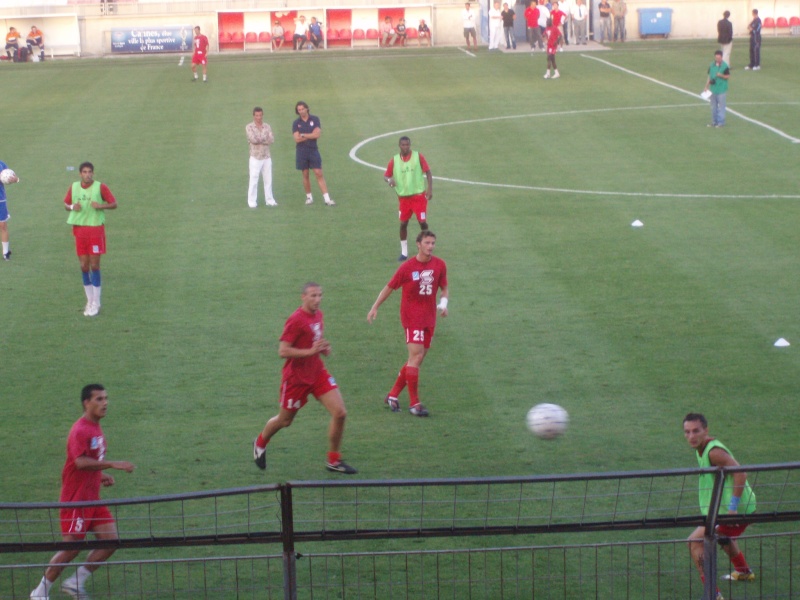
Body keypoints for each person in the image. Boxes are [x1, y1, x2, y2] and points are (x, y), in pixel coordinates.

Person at [28, 384, 136, 600]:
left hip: (92, 500)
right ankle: (39, 593)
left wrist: (100, 476)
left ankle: (75, 582)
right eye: (99, 399)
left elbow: (89, 462)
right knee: (71, 548)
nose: (104, 403)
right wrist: (112, 465)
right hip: (75, 501)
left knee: (110, 541)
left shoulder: (95, 427)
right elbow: (79, 462)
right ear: (87, 403)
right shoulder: (81, 429)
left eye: (106, 398)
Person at [253, 282, 357, 474]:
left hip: (317, 373)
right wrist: (310, 351)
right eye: (313, 296)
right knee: (285, 421)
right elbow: (283, 351)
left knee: (340, 413)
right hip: (296, 379)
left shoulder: (319, 315)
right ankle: (260, 442)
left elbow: (314, 344)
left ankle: (333, 460)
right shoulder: (296, 320)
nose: (317, 300)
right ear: (303, 297)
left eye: (320, 295)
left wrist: (322, 349)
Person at [367, 230, 449, 417]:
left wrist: (444, 304)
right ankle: (414, 403)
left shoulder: (439, 265)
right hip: (412, 317)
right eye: (427, 243)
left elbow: (444, 287)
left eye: (433, 243)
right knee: (415, 356)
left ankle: (393, 395)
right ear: (418, 244)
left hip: (429, 318)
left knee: (418, 359)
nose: (430, 246)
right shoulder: (407, 267)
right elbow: (389, 287)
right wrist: (375, 307)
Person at [683, 413, 757, 600]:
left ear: (706, 431)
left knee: (694, 542)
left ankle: (713, 594)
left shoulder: (713, 452)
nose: (691, 436)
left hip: (732, 512)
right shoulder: (701, 448)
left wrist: (732, 510)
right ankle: (743, 571)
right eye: (687, 432)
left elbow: (740, 473)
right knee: (723, 537)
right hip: (724, 511)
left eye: (696, 431)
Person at [63, 162, 117, 317]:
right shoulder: (74, 187)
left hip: (95, 230)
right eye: (84, 172)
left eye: (90, 172)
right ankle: (89, 301)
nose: (87, 174)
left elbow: (114, 204)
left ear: (93, 173)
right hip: (79, 230)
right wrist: (73, 207)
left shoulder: (100, 187)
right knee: (83, 266)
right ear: (80, 173)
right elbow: (66, 204)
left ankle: (97, 302)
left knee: (94, 265)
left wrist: (100, 206)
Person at [384, 136, 433, 261]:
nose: (405, 147)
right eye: (403, 145)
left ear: (410, 145)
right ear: (399, 146)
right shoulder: (394, 160)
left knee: (422, 223)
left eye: (407, 145)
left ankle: (425, 246)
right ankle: (404, 252)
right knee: (403, 224)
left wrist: (430, 189)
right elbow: (386, 176)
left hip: (418, 196)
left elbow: (428, 172)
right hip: (403, 198)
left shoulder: (418, 156)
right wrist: (389, 180)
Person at [292, 101, 335, 206]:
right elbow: (296, 139)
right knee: (305, 174)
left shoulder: (315, 119)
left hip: (313, 150)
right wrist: (309, 135)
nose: (301, 111)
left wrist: (303, 135)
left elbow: (317, 134)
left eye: (302, 109)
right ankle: (309, 197)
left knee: (318, 173)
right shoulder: (296, 123)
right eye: (299, 110)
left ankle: (327, 198)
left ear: (307, 109)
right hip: (301, 151)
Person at [246, 107, 277, 208]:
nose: (259, 117)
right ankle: (251, 201)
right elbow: (253, 139)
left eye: (260, 115)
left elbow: (271, 139)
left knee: (268, 179)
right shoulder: (249, 127)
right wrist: (264, 139)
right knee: (254, 180)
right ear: (254, 116)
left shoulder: (267, 126)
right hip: (255, 156)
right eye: (257, 116)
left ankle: (269, 200)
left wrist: (261, 140)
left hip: (266, 156)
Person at [704, 49, 730, 128]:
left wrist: (721, 75)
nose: (717, 59)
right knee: (713, 107)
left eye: (719, 58)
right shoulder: (712, 65)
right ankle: (714, 122)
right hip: (713, 89)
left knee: (721, 106)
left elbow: (727, 76)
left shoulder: (725, 66)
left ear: (721, 57)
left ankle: (721, 122)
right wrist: (706, 86)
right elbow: (709, 76)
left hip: (722, 89)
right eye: (716, 58)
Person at [0, 159, 19, 261]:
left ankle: (6, 252)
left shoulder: (1, 164)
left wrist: (15, 179)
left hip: (0, 199)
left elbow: (10, 175)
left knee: (2, 225)